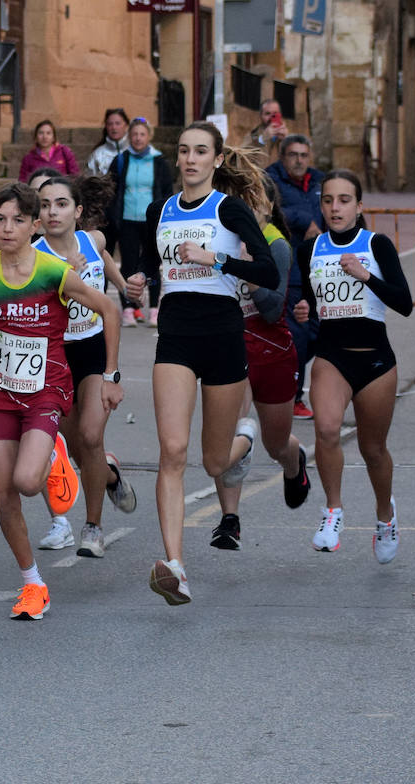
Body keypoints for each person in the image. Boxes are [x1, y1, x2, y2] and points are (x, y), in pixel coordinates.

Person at [0, 183, 122, 620]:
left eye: (18, 220)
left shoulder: (53, 272)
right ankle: (33, 583)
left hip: (47, 387)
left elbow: (109, 309)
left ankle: (56, 453)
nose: (7, 228)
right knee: (5, 491)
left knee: (28, 482)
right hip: (0, 390)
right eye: (0, 219)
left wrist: (110, 374)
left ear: (33, 225)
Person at [123, 122, 278, 605]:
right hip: (175, 335)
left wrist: (217, 259)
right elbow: (151, 261)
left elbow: (269, 271)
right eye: (184, 151)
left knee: (213, 461)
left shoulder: (228, 209)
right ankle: (176, 566)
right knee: (171, 451)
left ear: (215, 159)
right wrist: (139, 278)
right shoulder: (159, 210)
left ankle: (244, 439)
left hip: (223, 335)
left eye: (200, 152)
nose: (190, 159)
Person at [290, 169, 412, 563]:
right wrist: (304, 309)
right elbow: (308, 300)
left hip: (375, 360)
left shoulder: (376, 245)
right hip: (332, 357)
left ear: (359, 207)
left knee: (372, 449)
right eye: (328, 200)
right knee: (326, 429)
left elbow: (404, 304)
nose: (335, 207)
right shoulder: (309, 250)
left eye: (344, 200)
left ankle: (384, 515)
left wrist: (366, 276)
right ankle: (333, 511)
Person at [31, 176, 137, 556]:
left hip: (91, 349)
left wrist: (124, 286)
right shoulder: (34, 256)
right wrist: (67, 274)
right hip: (55, 355)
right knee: (78, 447)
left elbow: (105, 261)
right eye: (44, 205)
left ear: (77, 211)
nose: (52, 211)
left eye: (60, 204)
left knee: (92, 437)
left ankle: (93, 528)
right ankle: (107, 475)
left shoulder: (93, 240)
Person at [208, 170, 312, 550]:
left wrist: (247, 272)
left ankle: (293, 461)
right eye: (239, 200)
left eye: (252, 200)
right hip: (229, 345)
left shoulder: (276, 245)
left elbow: (271, 309)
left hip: (271, 349)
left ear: (267, 205)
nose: (245, 208)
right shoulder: (219, 238)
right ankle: (229, 520)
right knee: (229, 429)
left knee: (275, 442)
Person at [267, 134, 326, 421]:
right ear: (283, 157)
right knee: (299, 334)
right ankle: (293, 398)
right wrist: (305, 221)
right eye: (293, 155)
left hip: (319, 269)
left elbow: (332, 209)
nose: (299, 160)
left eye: (304, 155)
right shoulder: (271, 179)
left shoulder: (320, 181)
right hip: (290, 269)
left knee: (316, 333)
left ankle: (284, 382)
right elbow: (268, 211)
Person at [106, 117, 174, 326]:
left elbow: (167, 190)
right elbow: (111, 189)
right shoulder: (121, 159)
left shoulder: (159, 161)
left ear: (148, 136)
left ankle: (154, 308)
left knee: (153, 264)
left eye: (142, 134)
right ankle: (128, 309)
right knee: (128, 264)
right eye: (134, 134)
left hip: (151, 221)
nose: (137, 138)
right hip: (127, 219)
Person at [86, 108, 130, 176]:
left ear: (126, 125)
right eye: (110, 124)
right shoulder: (97, 154)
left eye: (118, 123)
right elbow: (90, 181)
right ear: (106, 126)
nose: (114, 127)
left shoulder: (135, 151)